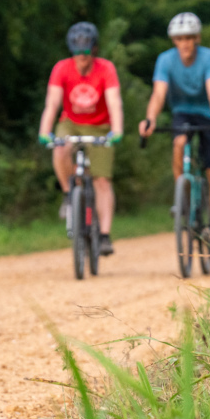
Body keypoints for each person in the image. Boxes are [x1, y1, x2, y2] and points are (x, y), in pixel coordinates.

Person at [138, 12, 210, 255]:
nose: (185, 43)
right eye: (180, 38)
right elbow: (159, 94)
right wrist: (150, 119)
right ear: (174, 41)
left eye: (189, 38)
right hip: (182, 113)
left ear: (197, 38)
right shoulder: (165, 60)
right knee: (179, 142)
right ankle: (183, 196)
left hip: (208, 114)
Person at [38, 22, 123, 256]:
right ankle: (68, 194)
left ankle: (104, 235)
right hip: (70, 124)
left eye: (86, 51)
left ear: (94, 49)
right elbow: (52, 104)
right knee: (60, 148)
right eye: (77, 51)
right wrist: (45, 132)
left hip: (100, 127)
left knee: (102, 181)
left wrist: (116, 131)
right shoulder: (62, 69)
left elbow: (114, 102)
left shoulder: (106, 69)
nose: (81, 57)